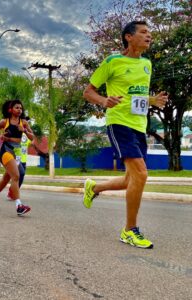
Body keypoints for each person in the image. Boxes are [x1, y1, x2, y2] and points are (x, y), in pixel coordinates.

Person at [83, 20, 168, 249]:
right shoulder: (112, 62)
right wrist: (103, 100)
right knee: (141, 174)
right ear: (129, 37)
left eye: (149, 32)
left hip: (139, 125)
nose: (149, 35)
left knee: (131, 179)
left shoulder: (147, 64)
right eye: (143, 32)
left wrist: (152, 100)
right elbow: (88, 91)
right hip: (119, 123)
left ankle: (94, 188)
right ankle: (129, 230)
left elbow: (135, 96)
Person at [0, 100, 34, 216]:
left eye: (21, 108)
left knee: (6, 177)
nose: (20, 110)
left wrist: (24, 130)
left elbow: (32, 137)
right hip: (6, 151)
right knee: (16, 176)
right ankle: (19, 206)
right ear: (11, 109)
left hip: (16, 152)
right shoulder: (5, 121)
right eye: (17, 108)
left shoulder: (24, 123)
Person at [7, 133, 32, 200]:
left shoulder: (27, 136)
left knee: (21, 177)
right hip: (17, 159)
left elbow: (32, 142)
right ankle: (12, 192)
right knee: (19, 175)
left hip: (24, 160)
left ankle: (12, 191)